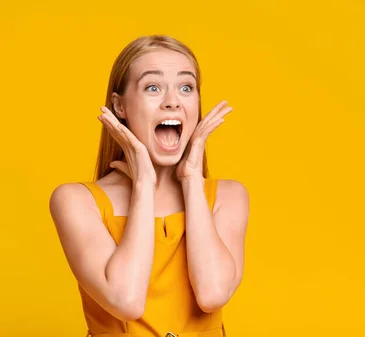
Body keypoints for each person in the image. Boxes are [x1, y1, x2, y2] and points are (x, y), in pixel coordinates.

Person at [49, 35, 249, 337]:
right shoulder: (76, 200)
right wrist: (144, 184)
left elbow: (212, 294)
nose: (172, 101)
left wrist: (192, 178)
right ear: (120, 106)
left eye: (186, 87)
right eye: (153, 87)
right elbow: (125, 301)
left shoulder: (229, 197)